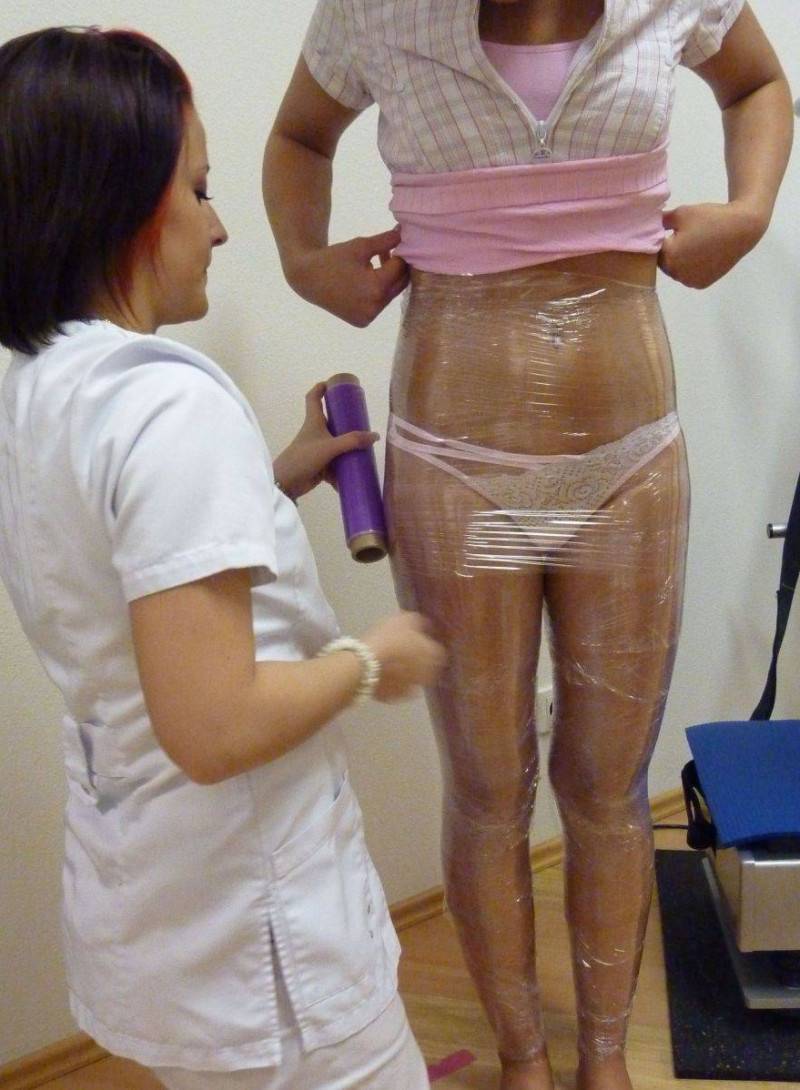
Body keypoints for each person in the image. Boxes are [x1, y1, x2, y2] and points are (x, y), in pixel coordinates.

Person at [262, 3, 793, 1090]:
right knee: (486, 780)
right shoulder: (378, 9)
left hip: (629, 458)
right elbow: (299, 136)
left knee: (607, 781)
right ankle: (521, 1058)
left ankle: (603, 1056)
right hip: (453, 462)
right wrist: (305, 262)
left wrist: (748, 210)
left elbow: (754, 84)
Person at [0, 26, 446, 1090]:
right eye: (199, 190)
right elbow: (213, 726)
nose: (220, 226)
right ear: (127, 205)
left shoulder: (43, 389)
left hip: (158, 905)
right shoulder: (168, 408)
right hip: (265, 950)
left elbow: (117, 561)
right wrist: (371, 659)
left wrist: (275, 474)